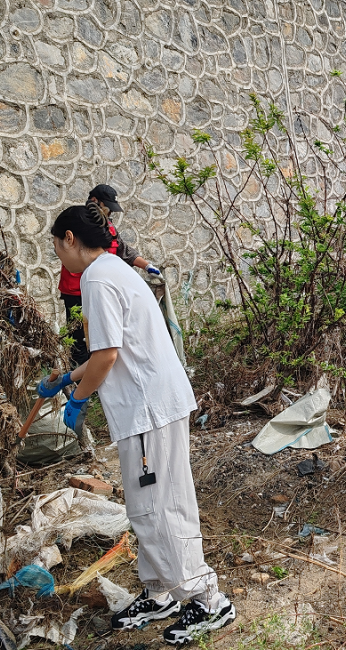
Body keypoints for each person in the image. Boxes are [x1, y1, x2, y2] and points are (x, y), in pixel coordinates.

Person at [37, 202, 234, 644]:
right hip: (149, 407)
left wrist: (79, 399)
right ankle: (159, 589)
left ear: (70, 238)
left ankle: (207, 599)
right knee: (148, 507)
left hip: (147, 411)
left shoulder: (97, 278)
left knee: (159, 507)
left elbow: (107, 356)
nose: (57, 257)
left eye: (56, 246)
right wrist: (67, 379)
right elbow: (111, 347)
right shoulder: (112, 269)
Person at [58, 184, 159, 366]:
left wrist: (147, 266)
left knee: (102, 337)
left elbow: (122, 250)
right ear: (95, 201)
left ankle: (95, 377)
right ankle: (80, 381)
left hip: (102, 290)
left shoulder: (108, 227)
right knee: (79, 339)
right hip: (75, 291)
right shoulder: (78, 221)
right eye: (107, 207)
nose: (109, 213)